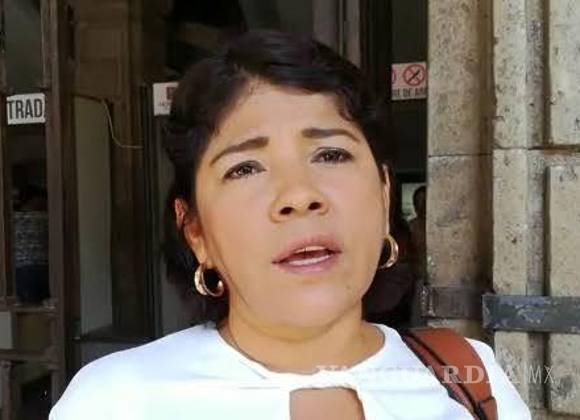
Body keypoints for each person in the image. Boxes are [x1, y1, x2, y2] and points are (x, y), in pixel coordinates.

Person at [49, 30, 531, 420]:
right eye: (245, 168)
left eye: (331, 154)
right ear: (195, 231)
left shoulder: (469, 378)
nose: (299, 195)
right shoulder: (116, 402)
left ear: (385, 195)